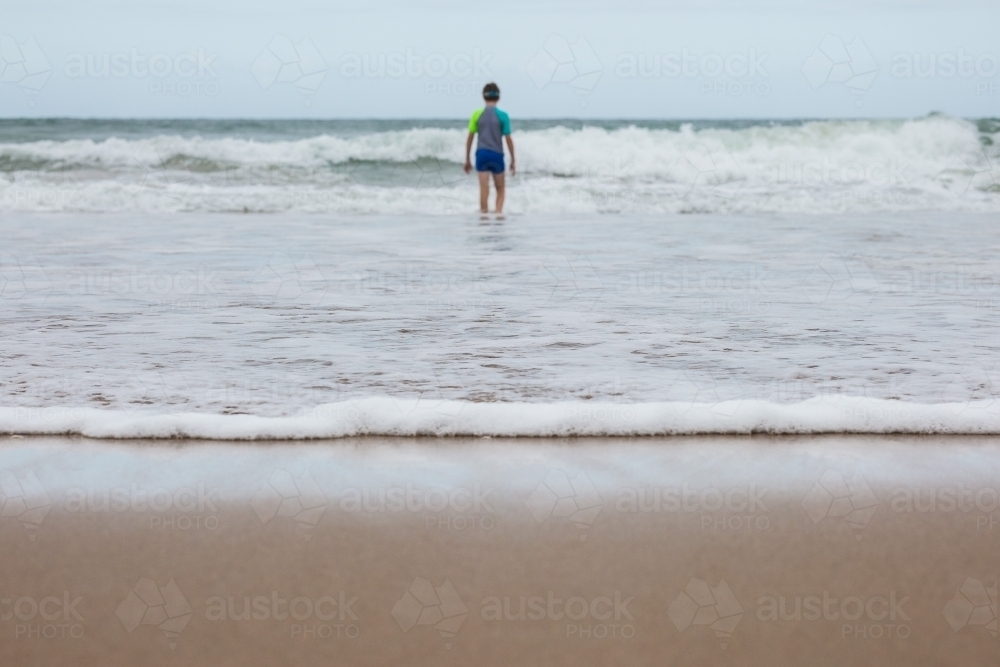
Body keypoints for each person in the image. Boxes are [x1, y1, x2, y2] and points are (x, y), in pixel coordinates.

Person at [464, 82, 515, 214]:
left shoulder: (476, 114)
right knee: (501, 189)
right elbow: (508, 139)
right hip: (497, 155)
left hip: (481, 154)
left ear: (483, 96)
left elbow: (470, 138)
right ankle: (498, 215)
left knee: (484, 189)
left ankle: (484, 219)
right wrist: (513, 160)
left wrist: (467, 159)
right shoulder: (503, 115)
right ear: (498, 97)